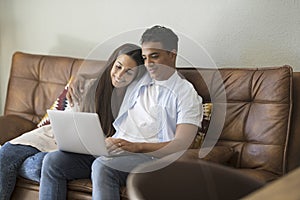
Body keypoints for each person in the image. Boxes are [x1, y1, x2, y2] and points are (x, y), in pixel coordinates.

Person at [0, 43, 145, 200]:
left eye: (129, 72)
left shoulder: (136, 99)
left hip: (76, 153)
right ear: (112, 64)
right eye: (118, 67)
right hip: (53, 137)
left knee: (39, 165)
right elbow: (70, 118)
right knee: (5, 154)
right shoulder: (88, 86)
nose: (120, 74)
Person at [90, 25, 203, 199]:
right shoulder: (141, 76)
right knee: (55, 162)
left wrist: (137, 147)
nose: (148, 64)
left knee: (103, 167)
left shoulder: (185, 93)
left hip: (151, 158)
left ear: (172, 55)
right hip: (116, 150)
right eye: (145, 57)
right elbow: (113, 73)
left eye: (155, 56)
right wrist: (79, 79)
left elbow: (181, 144)